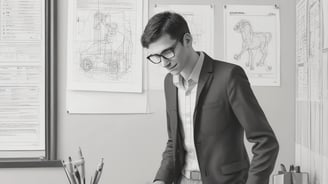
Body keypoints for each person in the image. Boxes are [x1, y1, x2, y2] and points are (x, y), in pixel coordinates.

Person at [141, 11, 279, 184]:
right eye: (156, 57)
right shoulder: (169, 82)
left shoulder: (229, 76)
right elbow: (173, 143)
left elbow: (266, 142)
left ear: (187, 40)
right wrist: (161, 179)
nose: (163, 63)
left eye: (168, 52)